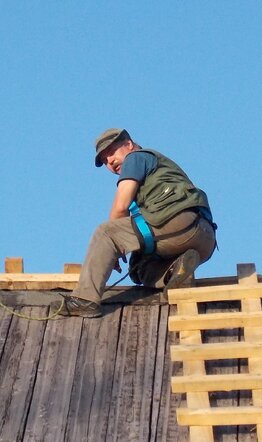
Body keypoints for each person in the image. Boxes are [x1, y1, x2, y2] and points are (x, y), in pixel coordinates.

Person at [61, 128, 216, 317]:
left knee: (106, 233)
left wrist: (114, 249)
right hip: (204, 237)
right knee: (138, 266)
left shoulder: (136, 158)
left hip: (178, 221)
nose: (109, 162)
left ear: (128, 144)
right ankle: (173, 274)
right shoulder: (158, 167)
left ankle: (85, 300)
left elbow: (120, 207)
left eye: (111, 152)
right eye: (104, 160)